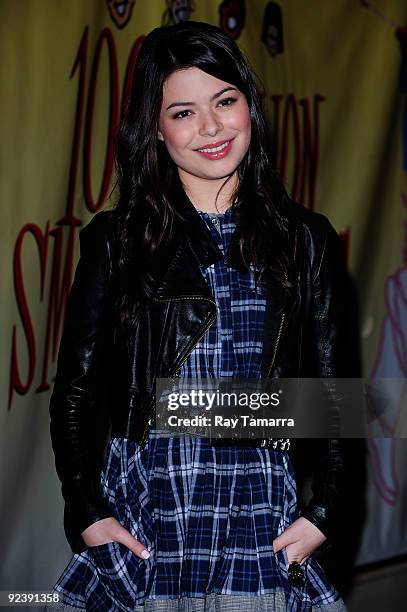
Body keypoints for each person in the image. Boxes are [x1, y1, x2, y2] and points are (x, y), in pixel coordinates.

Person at [45, 21, 352, 612]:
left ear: (250, 108)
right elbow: (75, 392)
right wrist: (85, 511)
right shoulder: (116, 241)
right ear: (155, 130)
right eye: (183, 112)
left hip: (259, 519)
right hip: (148, 517)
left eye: (225, 100)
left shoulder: (305, 240)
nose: (210, 127)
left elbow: (335, 395)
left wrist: (325, 512)